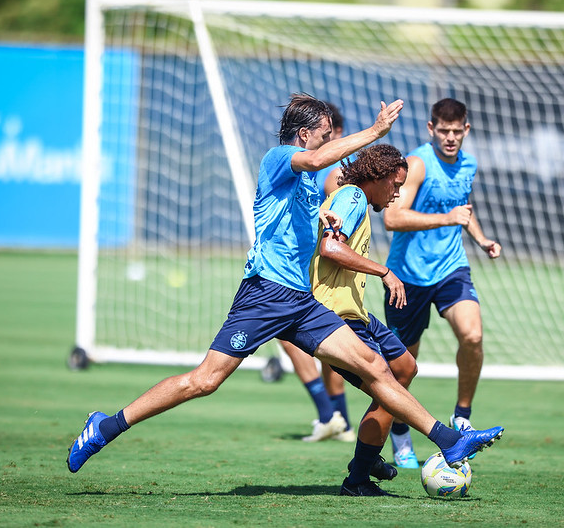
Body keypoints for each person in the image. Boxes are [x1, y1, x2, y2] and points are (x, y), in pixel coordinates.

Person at [66, 93, 504, 491]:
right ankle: (106, 426)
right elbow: (314, 164)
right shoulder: (279, 158)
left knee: (378, 367)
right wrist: (374, 132)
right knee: (204, 381)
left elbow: (306, 219)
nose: (330, 143)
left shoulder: (310, 183)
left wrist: (323, 221)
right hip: (264, 295)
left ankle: (448, 441)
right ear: (304, 135)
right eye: (326, 135)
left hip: (301, 303)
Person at [382, 98, 501, 468]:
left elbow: (461, 209)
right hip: (408, 277)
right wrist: (447, 218)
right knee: (404, 367)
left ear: (466, 130)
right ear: (431, 129)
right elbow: (393, 218)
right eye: (444, 131)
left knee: (473, 336)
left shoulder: (469, 164)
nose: (450, 138)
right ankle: (400, 431)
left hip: (451, 268)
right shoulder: (417, 164)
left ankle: (461, 416)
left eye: (457, 131)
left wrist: (481, 239)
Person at [310, 143, 417, 496]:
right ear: (378, 177)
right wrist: (383, 271)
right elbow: (330, 247)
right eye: (395, 185)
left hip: (357, 312)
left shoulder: (356, 200)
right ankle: (359, 475)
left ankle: (366, 460)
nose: (397, 194)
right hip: (335, 315)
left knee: (405, 368)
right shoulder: (353, 197)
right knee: (389, 389)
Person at [278, 102, 355, 443]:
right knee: (318, 344)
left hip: (319, 270)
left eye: (327, 134)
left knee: (324, 343)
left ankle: (333, 416)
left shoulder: (332, 170)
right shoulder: (308, 166)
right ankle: (338, 420)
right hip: (310, 267)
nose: (324, 140)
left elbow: (338, 228)